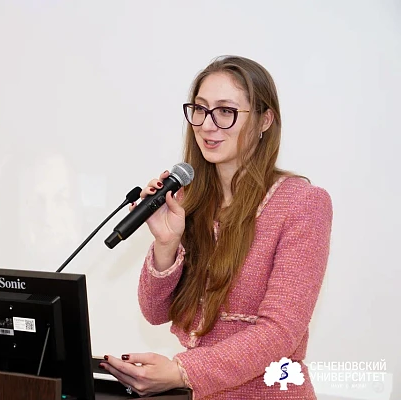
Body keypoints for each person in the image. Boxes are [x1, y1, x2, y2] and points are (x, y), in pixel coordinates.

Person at [99, 55, 333, 399]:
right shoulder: (187, 201)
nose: (208, 125)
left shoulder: (302, 203)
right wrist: (166, 243)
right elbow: (155, 312)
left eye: (226, 111)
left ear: (265, 120)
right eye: (200, 109)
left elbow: (280, 332)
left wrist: (182, 371)